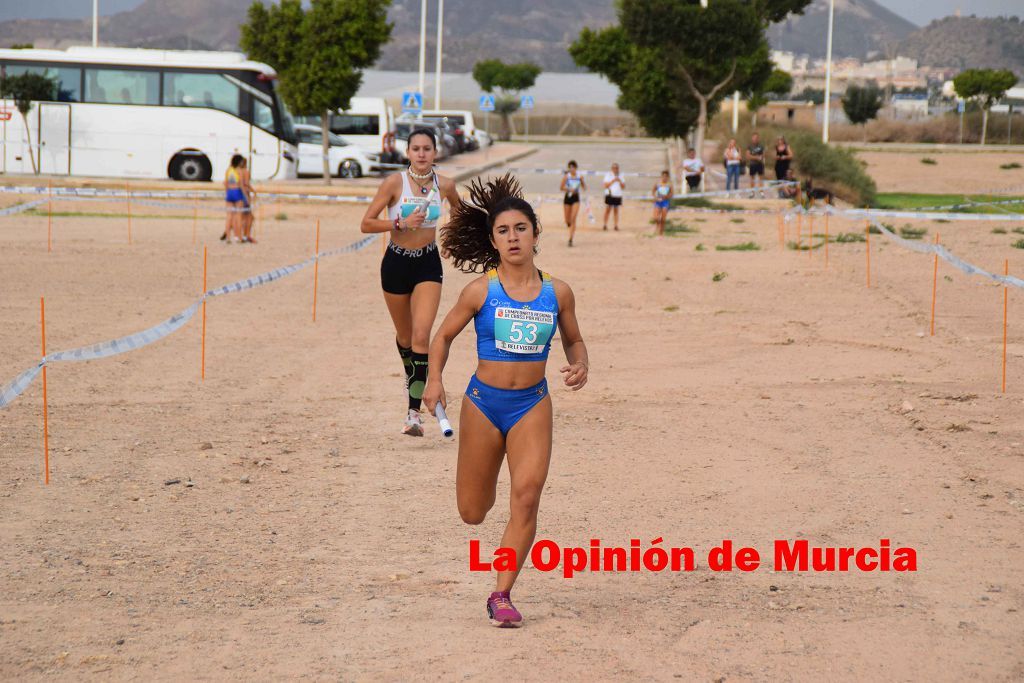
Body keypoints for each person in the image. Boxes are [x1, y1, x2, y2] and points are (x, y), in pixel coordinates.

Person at [424, 173, 589, 628]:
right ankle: (484, 492)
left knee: (528, 496)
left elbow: (575, 341)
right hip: (483, 404)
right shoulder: (481, 290)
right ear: (493, 240)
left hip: (532, 404)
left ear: (536, 233)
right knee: (473, 512)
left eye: (521, 228)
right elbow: (441, 337)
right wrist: (433, 382)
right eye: (503, 231)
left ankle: (501, 593)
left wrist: (580, 364)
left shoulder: (559, 293)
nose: (513, 237)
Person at [360, 128, 462, 436]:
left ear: (435, 152)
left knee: (421, 335)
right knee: (405, 337)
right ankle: (413, 376)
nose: (421, 154)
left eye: (427, 148)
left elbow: (459, 212)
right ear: (408, 153)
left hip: (428, 264)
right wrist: (399, 223)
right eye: (415, 148)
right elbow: (366, 223)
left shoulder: (444, 185)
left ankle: (413, 413)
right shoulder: (394, 183)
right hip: (396, 263)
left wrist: (451, 239)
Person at [221, 154, 249, 244]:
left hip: (229, 192)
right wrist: (246, 196)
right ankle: (239, 237)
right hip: (237, 192)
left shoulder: (228, 170)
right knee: (238, 216)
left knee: (229, 216)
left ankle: (228, 237)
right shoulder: (239, 171)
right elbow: (241, 184)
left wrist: (227, 193)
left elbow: (225, 183)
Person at [560, 160, 586, 247]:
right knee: (567, 220)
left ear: (576, 168)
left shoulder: (579, 176)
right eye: (570, 168)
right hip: (568, 197)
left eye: (573, 167)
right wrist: (568, 189)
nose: (572, 169)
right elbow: (561, 188)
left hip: (576, 198)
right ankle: (568, 224)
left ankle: (570, 239)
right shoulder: (567, 177)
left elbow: (584, 187)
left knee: (573, 218)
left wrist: (582, 183)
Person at [602, 162, 624, 231]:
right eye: (614, 168)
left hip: (617, 195)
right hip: (610, 194)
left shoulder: (621, 175)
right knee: (608, 210)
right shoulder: (608, 175)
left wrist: (619, 181)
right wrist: (613, 181)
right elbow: (605, 185)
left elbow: (623, 187)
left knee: (616, 211)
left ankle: (616, 225)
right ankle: (605, 224)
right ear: (612, 169)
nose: (615, 169)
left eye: (616, 168)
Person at [652, 170, 673, 236]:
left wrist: (666, 196)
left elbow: (671, 193)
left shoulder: (669, 185)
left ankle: (661, 232)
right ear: (661, 176)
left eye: (666, 176)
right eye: (663, 176)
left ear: (668, 177)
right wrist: (655, 197)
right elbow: (653, 191)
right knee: (656, 217)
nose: (664, 178)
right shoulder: (657, 183)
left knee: (663, 219)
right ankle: (657, 227)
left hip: (665, 202)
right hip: (658, 201)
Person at [747, 132, 765, 197]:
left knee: (761, 178)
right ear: (752, 138)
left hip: (760, 164)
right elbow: (748, 155)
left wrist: (760, 157)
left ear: (758, 139)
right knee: (752, 178)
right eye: (754, 138)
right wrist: (756, 157)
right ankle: (752, 192)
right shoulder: (750, 146)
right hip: (752, 164)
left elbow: (763, 154)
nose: (755, 139)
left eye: (756, 138)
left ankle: (761, 192)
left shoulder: (761, 146)